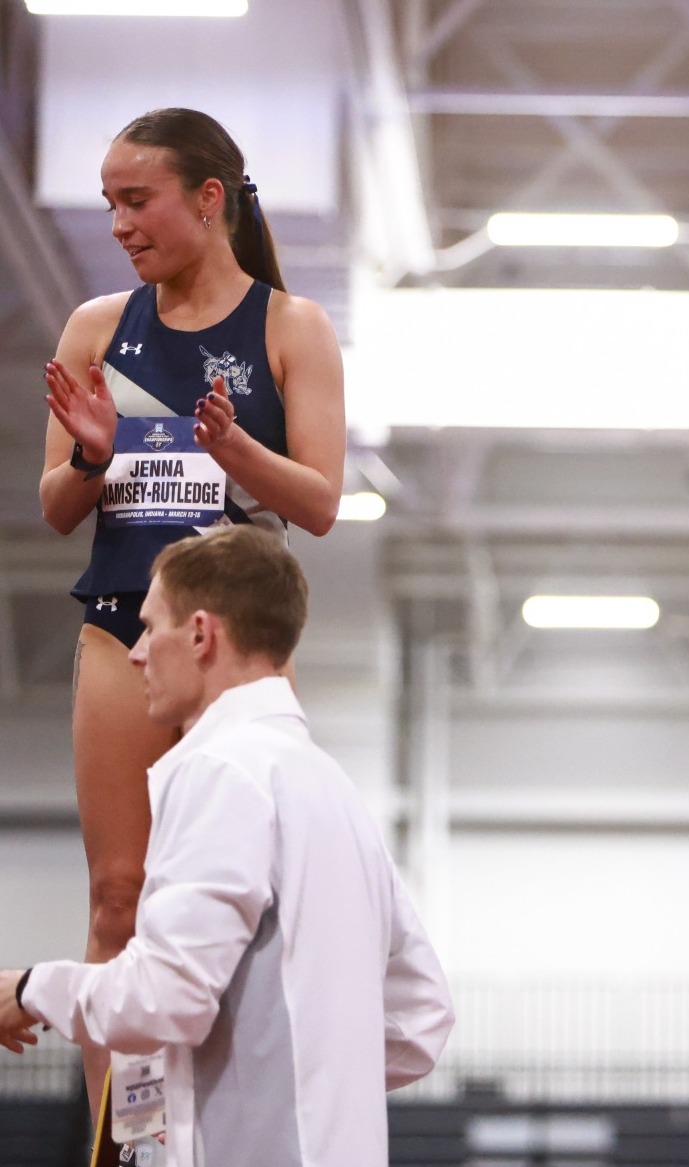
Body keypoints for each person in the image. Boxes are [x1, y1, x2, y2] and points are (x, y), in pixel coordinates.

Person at [36, 107, 344, 1110]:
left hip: (238, 647)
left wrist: (236, 452)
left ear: (209, 200)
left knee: (231, 903)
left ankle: (230, 1118)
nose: (121, 223)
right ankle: (123, 1136)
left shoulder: (289, 327)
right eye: (110, 204)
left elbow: (322, 504)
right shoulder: (97, 328)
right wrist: (91, 452)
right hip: (126, 621)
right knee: (119, 894)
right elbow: (55, 508)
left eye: (138, 200)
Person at [0, 526, 453, 1167]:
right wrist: (299, 1074)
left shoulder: (219, 769)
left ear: (202, 635)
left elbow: (168, 997)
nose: (136, 654)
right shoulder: (334, 787)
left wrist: (27, 989)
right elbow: (422, 1014)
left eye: (150, 628)